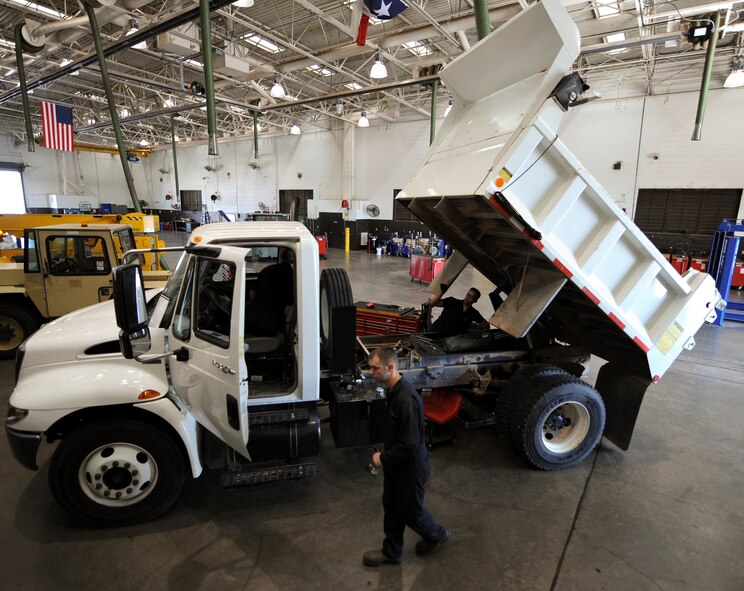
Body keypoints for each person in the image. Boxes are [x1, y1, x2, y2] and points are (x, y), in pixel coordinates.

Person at [363, 347, 451, 567]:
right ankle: (391, 553)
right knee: (391, 506)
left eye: (375, 368)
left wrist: (382, 458)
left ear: (390, 367)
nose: (370, 372)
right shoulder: (393, 392)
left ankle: (437, 535)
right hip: (397, 464)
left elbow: (410, 444)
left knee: (411, 512)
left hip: (410, 467)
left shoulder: (405, 399)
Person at [245, 247, 294, 336]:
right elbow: (288, 308)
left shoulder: (268, 270)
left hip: (258, 320)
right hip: (271, 322)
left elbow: (252, 294)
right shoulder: (293, 277)